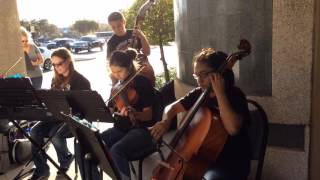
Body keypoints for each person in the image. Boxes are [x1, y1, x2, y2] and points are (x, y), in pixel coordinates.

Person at [150, 48, 251, 180]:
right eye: (197, 75)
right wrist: (166, 121)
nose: (199, 80)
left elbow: (233, 129)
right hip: (202, 159)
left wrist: (220, 94)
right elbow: (171, 108)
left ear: (218, 74)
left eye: (203, 74)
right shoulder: (199, 93)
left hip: (230, 162)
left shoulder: (235, 95)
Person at [76, 49, 155, 180]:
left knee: (116, 151)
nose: (116, 75)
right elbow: (110, 110)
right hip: (120, 129)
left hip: (141, 130)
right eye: (113, 72)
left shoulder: (142, 82)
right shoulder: (116, 87)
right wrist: (100, 110)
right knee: (83, 145)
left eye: (119, 71)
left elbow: (149, 116)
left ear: (129, 66)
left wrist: (135, 113)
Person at [29, 48, 91, 180]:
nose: (56, 68)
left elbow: (85, 109)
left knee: (55, 134)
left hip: (74, 118)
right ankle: (41, 169)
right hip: (57, 115)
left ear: (68, 61)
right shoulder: (55, 79)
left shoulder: (81, 81)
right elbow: (53, 101)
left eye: (59, 64)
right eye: (54, 65)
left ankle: (65, 159)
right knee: (34, 131)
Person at [107, 11, 155, 87]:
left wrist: (142, 36)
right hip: (124, 75)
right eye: (113, 27)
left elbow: (147, 52)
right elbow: (110, 64)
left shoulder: (135, 33)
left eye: (119, 26)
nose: (117, 29)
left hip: (140, 69)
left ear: (124, 22)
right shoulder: (111, 42)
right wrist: (114, 84)